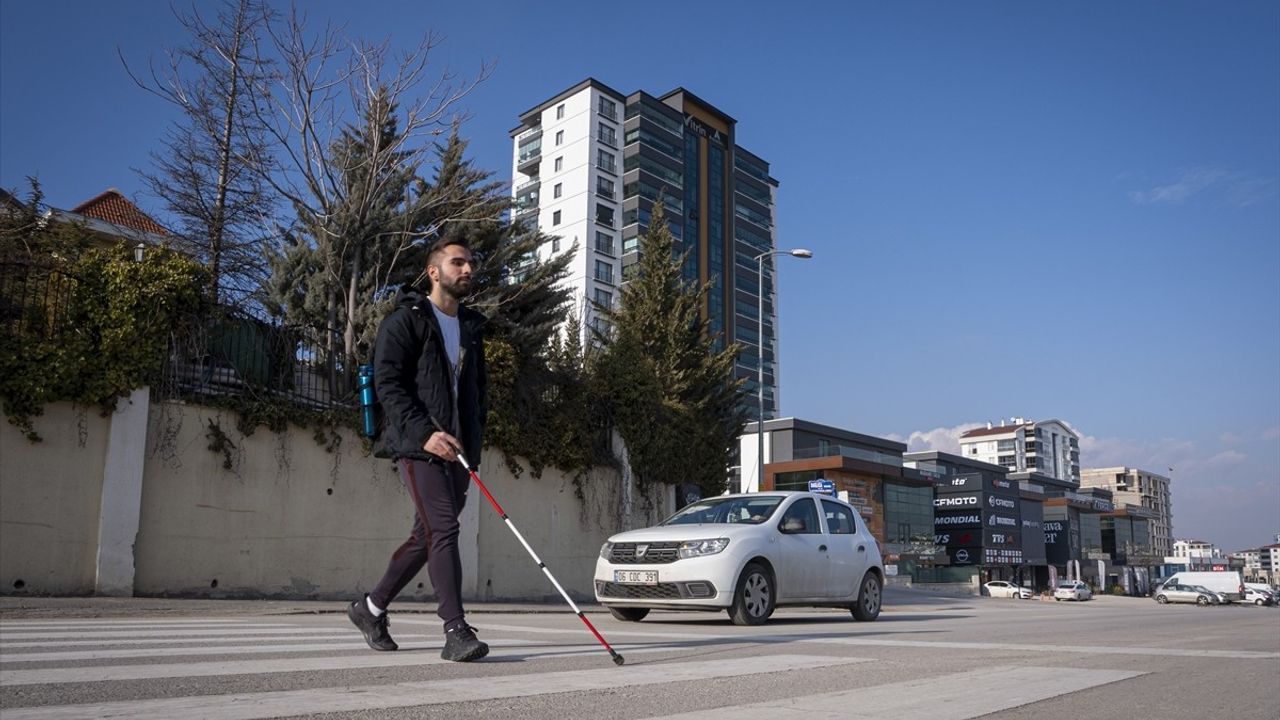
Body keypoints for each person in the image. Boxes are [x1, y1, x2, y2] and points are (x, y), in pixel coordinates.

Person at [347, 237, 490, 663]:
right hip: (419, 445)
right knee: (444, 529)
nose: (467, 270)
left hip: (462, 451)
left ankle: (370, 608)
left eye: (471, 263)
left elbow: (477, 392)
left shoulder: (470, 327)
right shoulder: (405, 320)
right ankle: (455, 630)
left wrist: (474, 441)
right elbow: (389, 385)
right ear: (434, 271)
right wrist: (425, 433)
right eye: (458, 262)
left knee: (426, 536)